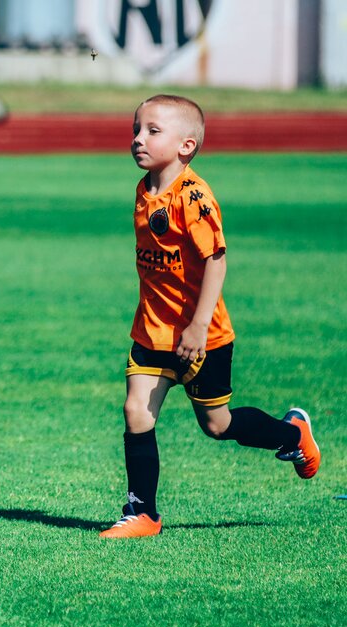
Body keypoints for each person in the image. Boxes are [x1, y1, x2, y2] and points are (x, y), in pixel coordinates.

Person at [100, 94, 322, 539]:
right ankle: (143, 513)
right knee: (136, 411)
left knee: (217, 425)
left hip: (202, 336)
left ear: (186, 146)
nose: (138, 139)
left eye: (152, 131)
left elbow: (216, 262)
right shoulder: (144, 189)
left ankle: (293, 435)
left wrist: (198, 326)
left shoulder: (195, 197)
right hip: (151, 331)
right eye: (136, 129)